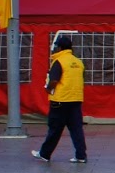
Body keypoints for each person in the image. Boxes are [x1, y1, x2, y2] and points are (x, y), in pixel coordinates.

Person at [33, 34, 87, 163]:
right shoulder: (78, 62)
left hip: (60, 100)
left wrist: (49, 89)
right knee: (76, 129)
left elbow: (54, 80)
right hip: (76, 99)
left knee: (55, 129)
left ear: (60, 47)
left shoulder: (59, 61)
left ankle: (45, 154)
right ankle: (81, 156)